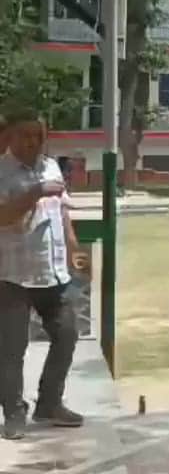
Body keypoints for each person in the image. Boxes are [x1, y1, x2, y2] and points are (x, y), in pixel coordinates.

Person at [0, 108, 88, 440]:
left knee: (67, 334)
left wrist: (75, 250)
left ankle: (49, 403)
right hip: (12, 276)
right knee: (11, 350)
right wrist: (34, 192)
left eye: (38, 135)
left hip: (53, 273)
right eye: (25, 135)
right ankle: (13, 412)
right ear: (10, 137)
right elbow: (3, 216)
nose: (33, 142)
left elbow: (61, 213)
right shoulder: (2, 171)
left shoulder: (50, 166)